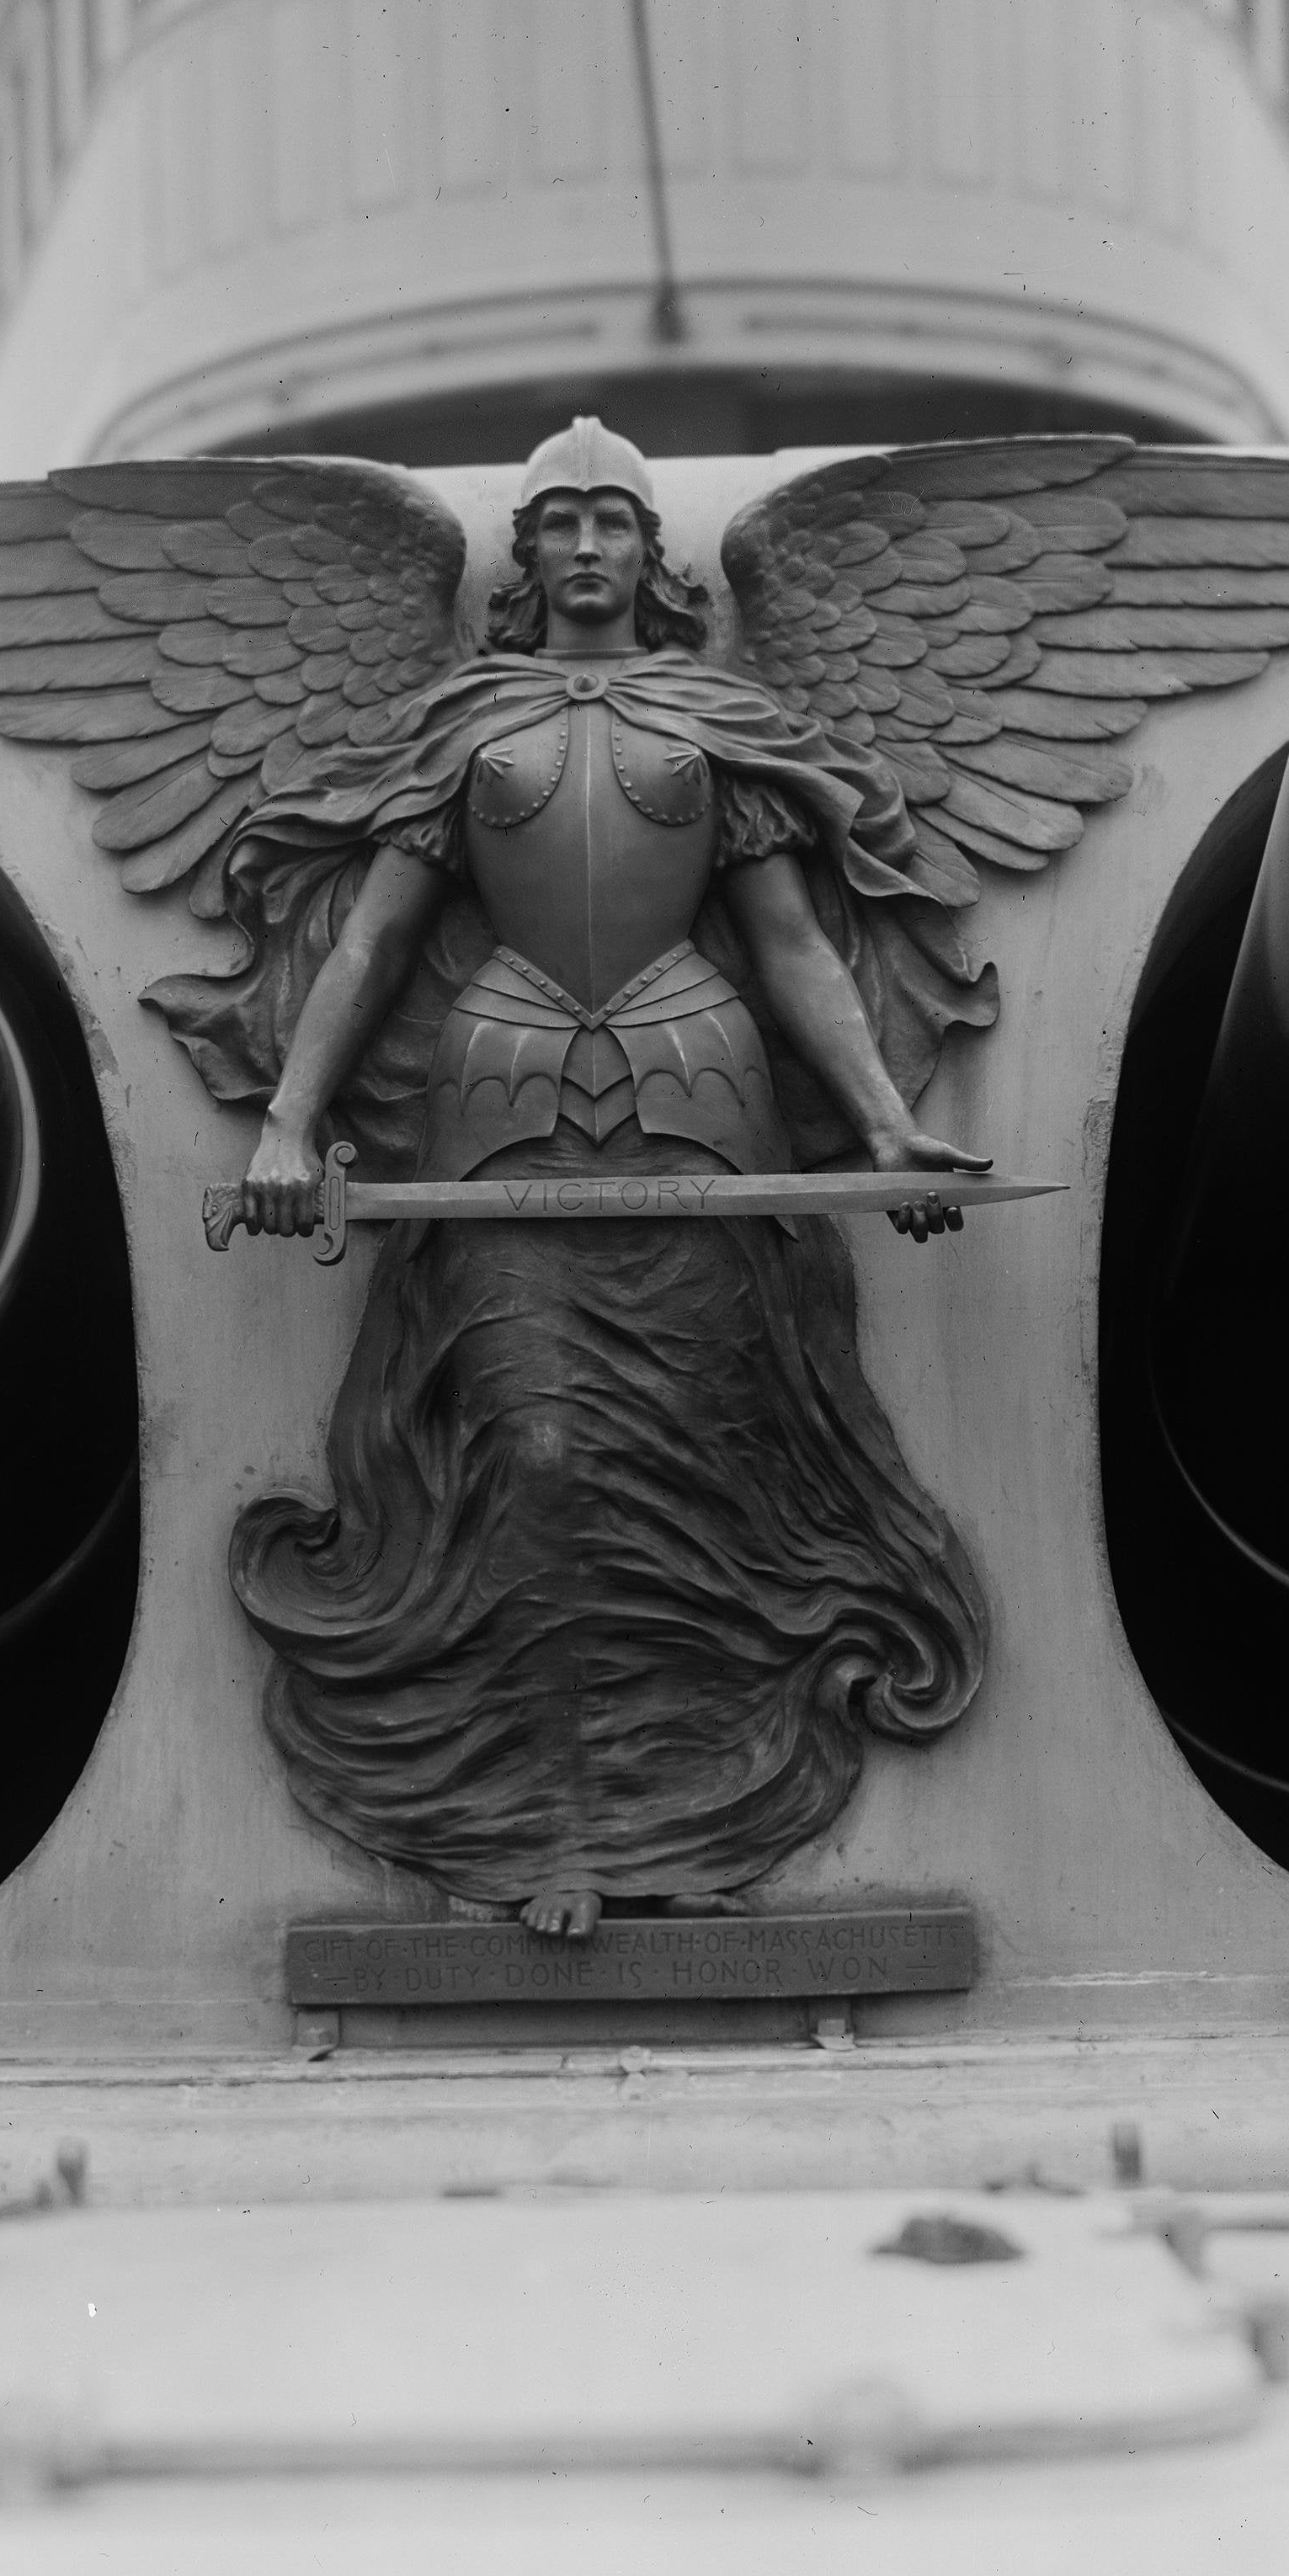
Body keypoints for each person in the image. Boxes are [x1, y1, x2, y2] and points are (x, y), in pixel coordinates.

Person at [216, 419, 990, 1937]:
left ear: (653, 553)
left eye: (611, 523)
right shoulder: (465, 725)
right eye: (557, 522)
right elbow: (373, 943)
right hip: (496, 1099)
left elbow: (785, 946)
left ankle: (692, 1816)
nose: (584, 547)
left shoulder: (714, 725)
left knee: (704, 1457)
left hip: (700, 1098)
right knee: (538, 1452)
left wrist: (888, 1124)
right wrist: (286, 1124)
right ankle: (542, 1825)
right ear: (526, 555)